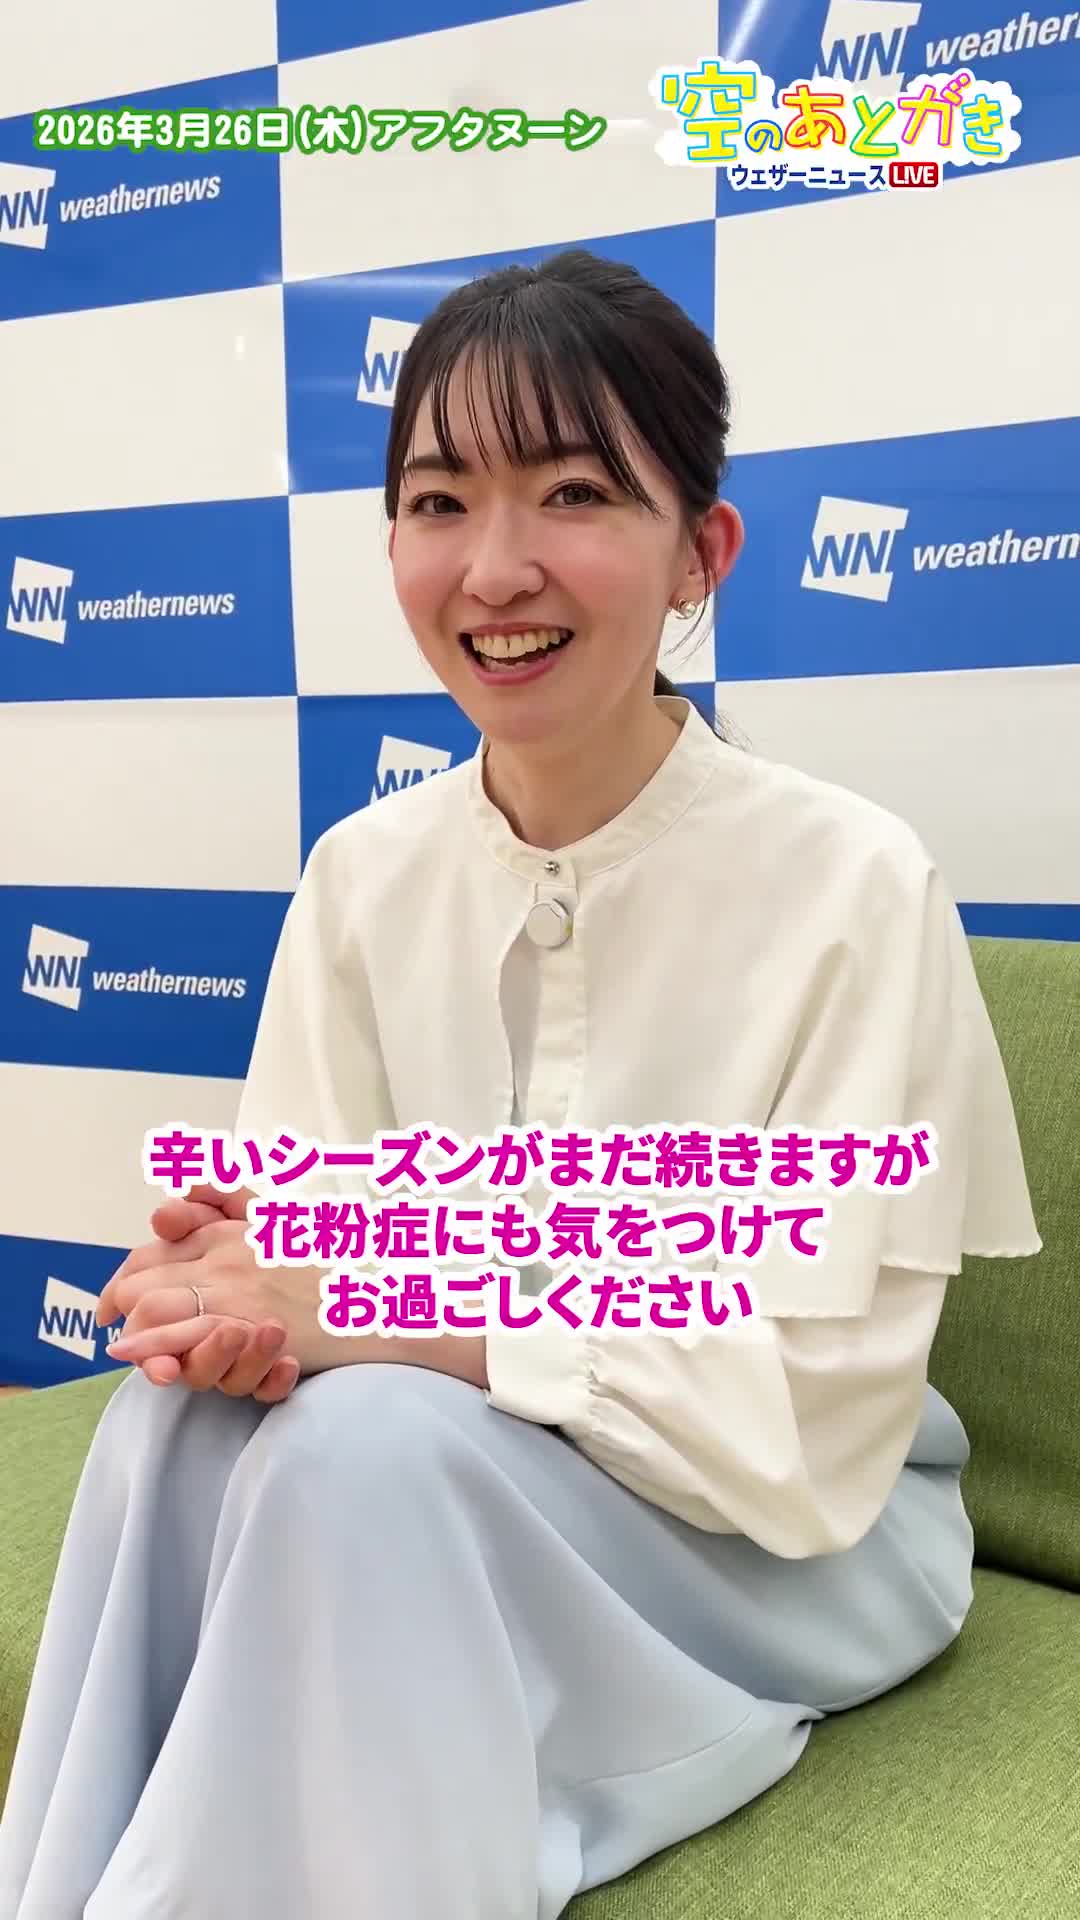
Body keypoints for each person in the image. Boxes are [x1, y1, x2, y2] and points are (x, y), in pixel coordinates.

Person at [0, 250, 1042, 1920]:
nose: (494, 569)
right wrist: (232, 1304)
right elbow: (311, 1248)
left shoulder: (853, 883)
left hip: (789, 1541)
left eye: (573, 493)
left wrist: (384, 1315)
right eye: (439, 502)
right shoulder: (362, 876)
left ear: (701, 551)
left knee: (362, 1457)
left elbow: (816, 1396)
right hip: (457, 1481)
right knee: (170, 1426)